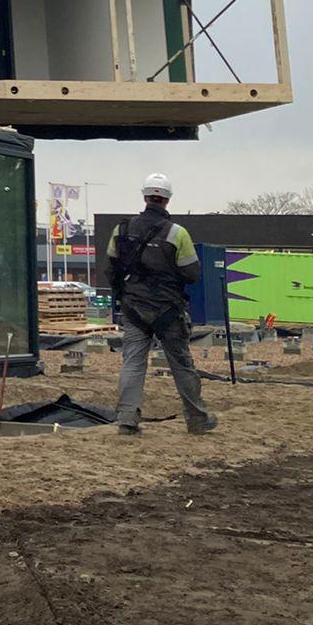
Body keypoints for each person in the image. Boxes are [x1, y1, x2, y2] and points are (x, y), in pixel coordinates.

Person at [107, 173, 216, 437]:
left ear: (145, 196)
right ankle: (197, 420)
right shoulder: (177, 233)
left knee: (133, 363)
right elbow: (192, 274)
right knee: (181, 364)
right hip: (168, 310)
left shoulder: (122, 230)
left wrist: (126, 293)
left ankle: (127, 420)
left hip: (134, 308)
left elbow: (111, 268)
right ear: (167, 199)